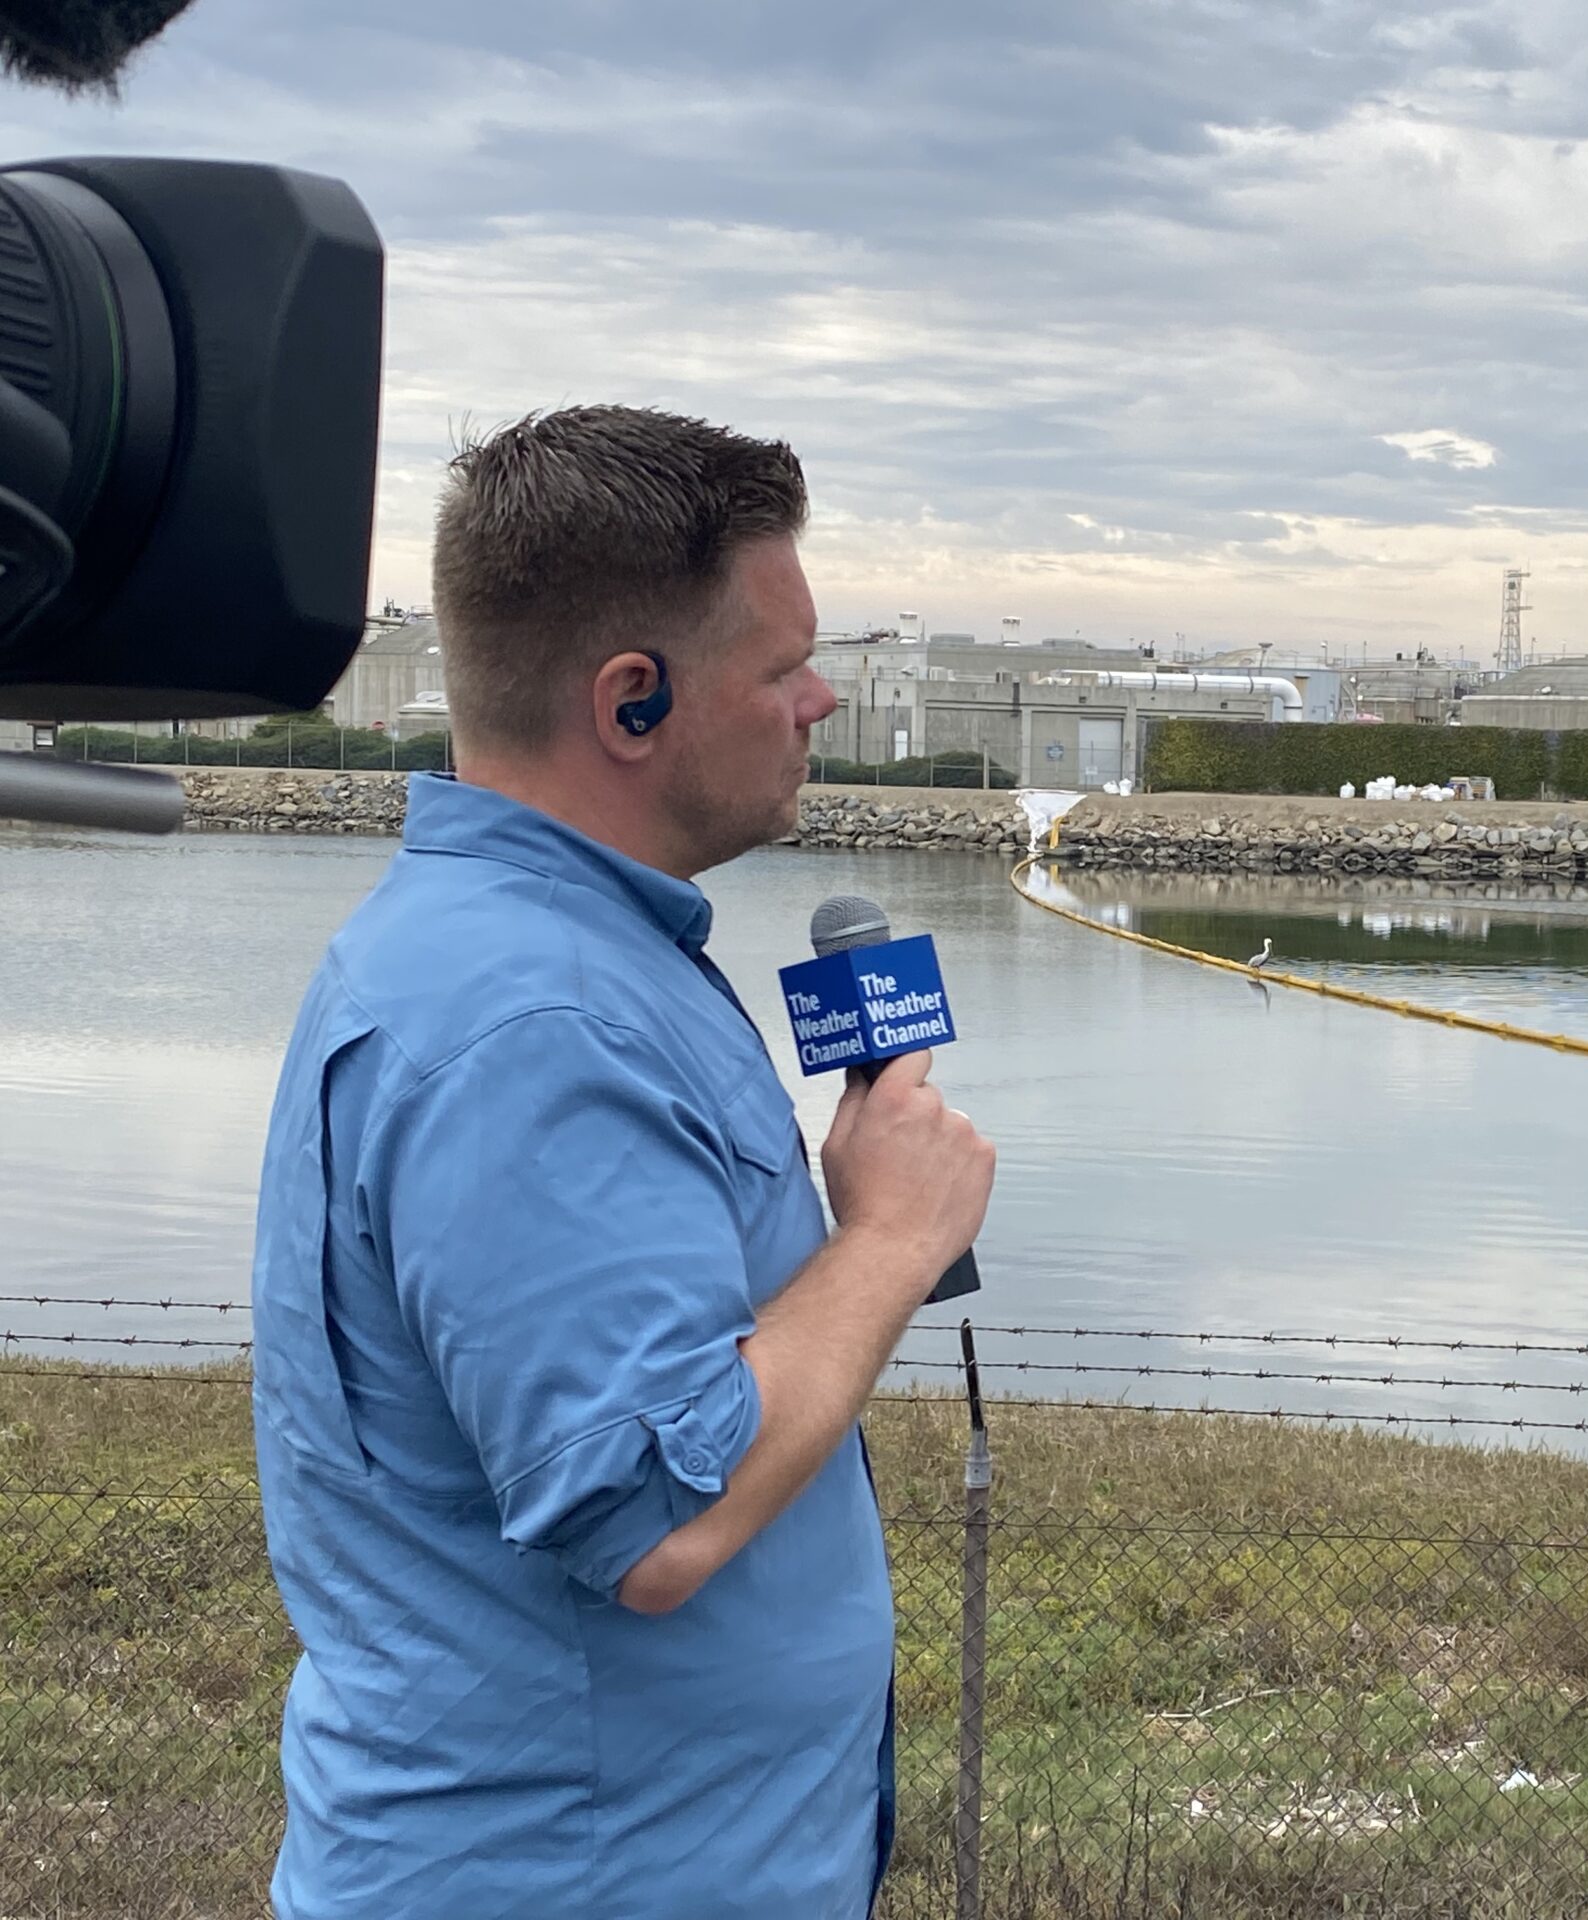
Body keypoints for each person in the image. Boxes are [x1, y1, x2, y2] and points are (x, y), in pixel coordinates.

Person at [249, 406, 995, 1920]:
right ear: (633, 700)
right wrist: (891, 1240)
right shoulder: (531, 1022)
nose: (823, 699)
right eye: (783, 669)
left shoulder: (566, 953)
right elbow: (658, 1515)